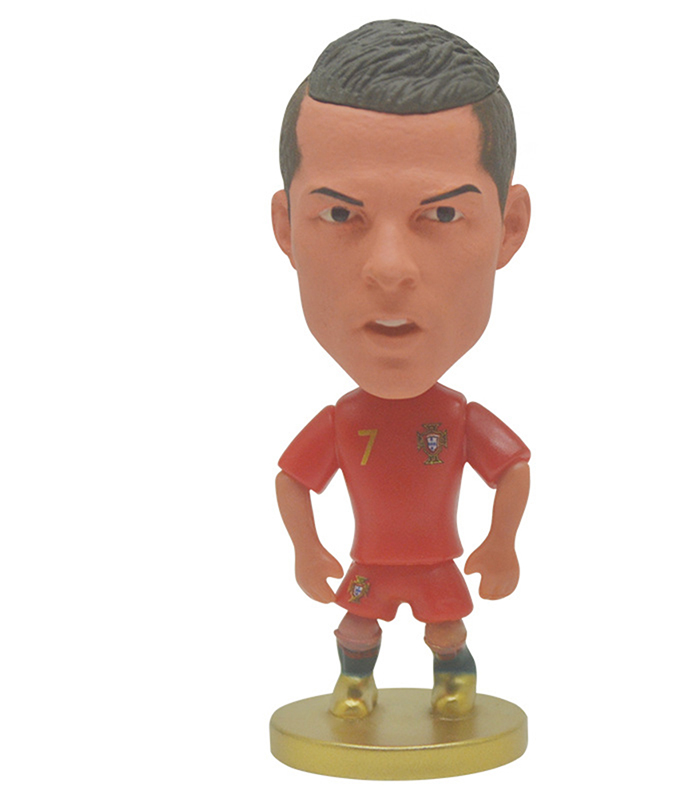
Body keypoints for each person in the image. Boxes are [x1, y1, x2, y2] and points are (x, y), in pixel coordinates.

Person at [271, 19, 532, 720]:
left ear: (509, 227)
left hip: (440, 560)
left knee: (446, 629)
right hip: (368, 563)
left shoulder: (458, 417)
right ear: (286, 226)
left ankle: (455, 684)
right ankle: (355, 684)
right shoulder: (343, 421)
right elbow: (292, 480)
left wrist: (501, 543)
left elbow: (512, 469)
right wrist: (306, 550)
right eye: (339, 215)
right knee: (355, 627)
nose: (389, 270)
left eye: (442, 214)